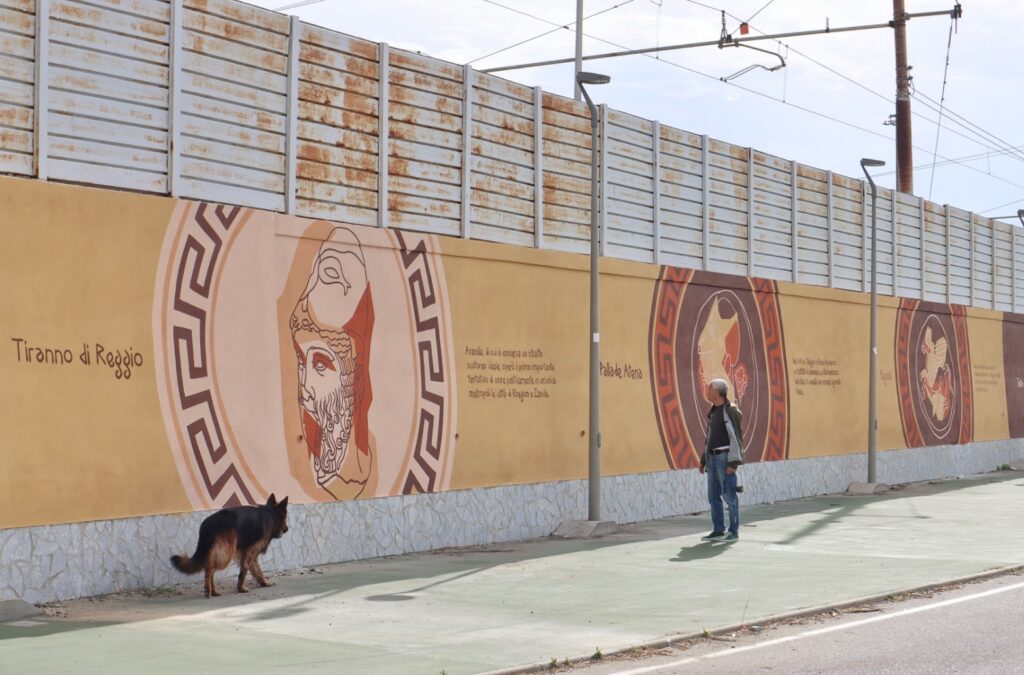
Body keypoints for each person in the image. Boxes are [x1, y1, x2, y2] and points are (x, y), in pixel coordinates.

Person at [699, 378, 743, 542]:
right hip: (712, 458)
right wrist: (704, 459)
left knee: (729, 495)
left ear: (718, 392)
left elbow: (738, 438)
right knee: (713, 496)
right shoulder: (712, 411)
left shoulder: (731, 411)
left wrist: (733, 463)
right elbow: (709, 437)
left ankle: (733, 531)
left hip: (725, 458)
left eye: (709, 388)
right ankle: (718, 529)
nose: (707, 391)